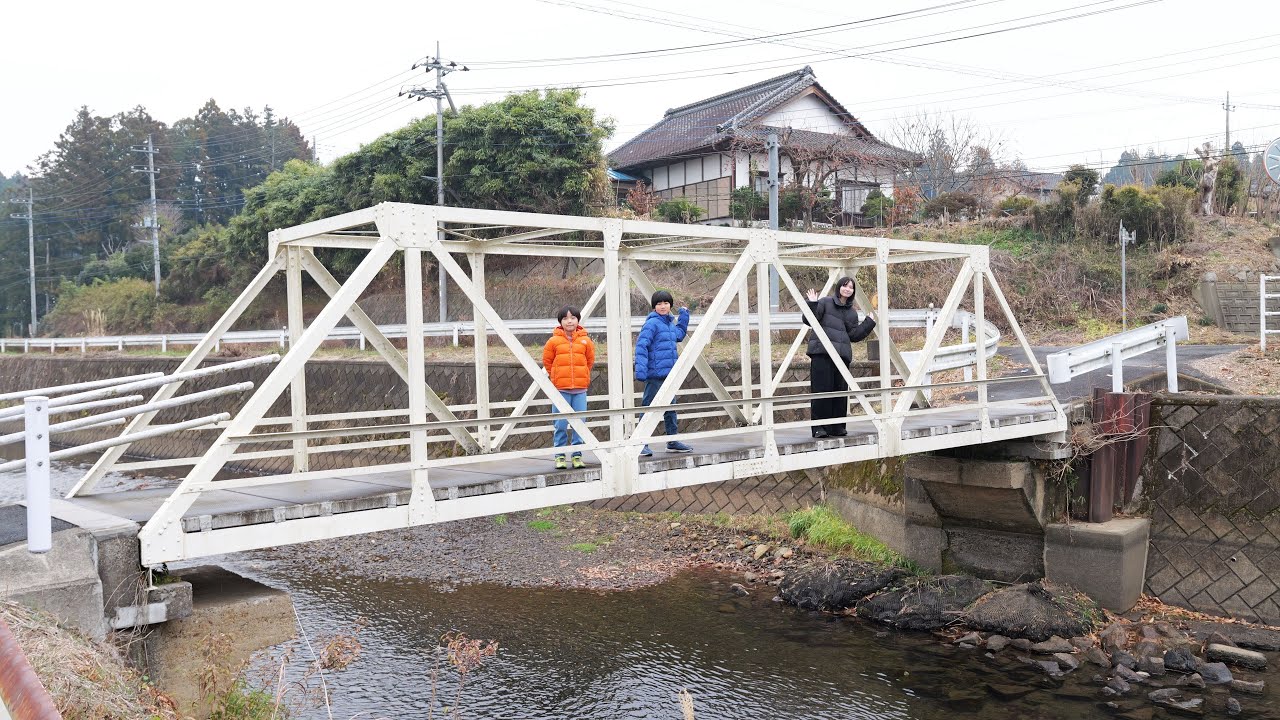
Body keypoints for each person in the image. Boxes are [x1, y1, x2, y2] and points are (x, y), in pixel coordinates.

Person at [804, 277, 876, 438]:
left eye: (851, 287)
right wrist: (813, 303)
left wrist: (868, 323)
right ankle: (819, 428)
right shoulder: (825, 302)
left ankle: (837, 426)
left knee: (840, 391)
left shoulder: (851, 312)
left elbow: (854, 335)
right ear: (839, 287)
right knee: (821, 391)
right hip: (821, 353)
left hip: (841, 356)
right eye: (845, 286)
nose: (848, 289)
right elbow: (809, 320)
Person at [634, 289, 693, 457]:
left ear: (670, 306)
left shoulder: (668, 324)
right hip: (654, 375)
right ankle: (640, 443)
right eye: (659, 303)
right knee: (648, 408)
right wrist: (641, 370)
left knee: (670, 409)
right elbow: (641, 346)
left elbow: (679, 335)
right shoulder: (652, 323)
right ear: (654, 307)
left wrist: (684, 317)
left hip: (668, 375)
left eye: (666, 303)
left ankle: (672, 441)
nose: (662, 306)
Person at [543, 305, 595, 469]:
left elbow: (590, 361)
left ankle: (577, 456)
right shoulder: (553, 341)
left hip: (580, 389)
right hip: (561, 390)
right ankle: (560, 456)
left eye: (572, 317)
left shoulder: (586, 340)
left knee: (580, 423)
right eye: (565, 318)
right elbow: (547, 362)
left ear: (578, 320)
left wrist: (583, 374)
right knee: (560, 424)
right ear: (560, 322)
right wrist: (556, 376)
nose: (569, 321)